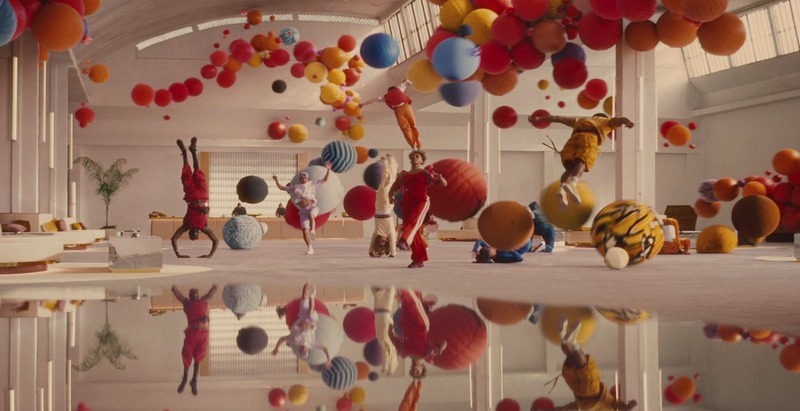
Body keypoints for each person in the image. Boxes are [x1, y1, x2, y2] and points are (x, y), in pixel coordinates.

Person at [529, 113, 634, 210]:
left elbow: (559, 118)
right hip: (589, 138)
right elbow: (621, 120)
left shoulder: (579, 120)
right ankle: (572, 185)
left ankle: (562, 189)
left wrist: (539, 118)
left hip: (573, 139)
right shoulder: (606, 121)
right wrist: (628, 122)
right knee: (582, 162)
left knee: (570, 169)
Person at [539, 317, 638, 411]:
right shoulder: (584, 406)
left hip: (591, 390)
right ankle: (562, 337)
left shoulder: (610, 405)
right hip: (577, 391)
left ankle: (573, 342)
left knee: (584, 364)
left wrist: (628, 406)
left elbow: (619, 407)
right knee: (570, 359)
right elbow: (567, 408)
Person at [388, 151, 447, 268]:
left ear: (422, 160)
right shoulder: (404, 175)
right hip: (407, 204)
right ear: (410, 160)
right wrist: (390, 197)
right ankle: (418, 259)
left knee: (414, 223)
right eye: (412, 156)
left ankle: (404, 240)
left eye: (417, 156)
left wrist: (441, 178)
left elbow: (444, 184)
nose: (414, 158)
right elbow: (393, 188)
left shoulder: (426, 173)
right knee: (413, 232)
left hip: (421, 201)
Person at [171, 137, 219, 258]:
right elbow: (216, 240)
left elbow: (174, 238)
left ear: (189, 234)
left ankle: (184, 153)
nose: (194, 237)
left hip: (191, 195)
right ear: (199, 234)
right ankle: (193, 151)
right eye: (196, 238)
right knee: (198, 172)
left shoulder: (186, 226)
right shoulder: (204, 228)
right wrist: (210, 255)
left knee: (186, 173)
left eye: (192, 238)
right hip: (203, 196)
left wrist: (178, 254)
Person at [272, 162, 332, 255]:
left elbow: (325, 179)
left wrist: (328, 169)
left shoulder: (312, 184)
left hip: (313, 207)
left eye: (305, 177)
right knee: (304, 231)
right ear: (300, 179)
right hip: (303, 211)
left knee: (311, 215)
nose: (303, 179)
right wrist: (276, 180)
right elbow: (282, 188)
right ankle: (310, 248)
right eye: (302, 178)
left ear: (307, 178)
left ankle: (313, 230)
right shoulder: (296, 187)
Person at [390, 288, 447, 381]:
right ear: (422, 368)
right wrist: (440, 348)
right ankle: (405, 288)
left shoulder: (403, 353)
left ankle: (408, 288)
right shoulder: (427, 354)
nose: (414, 370)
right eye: (417, 372)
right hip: (420, 325)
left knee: (408, 302)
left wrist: (389, 326)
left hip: (406, 323)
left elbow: (391, 338)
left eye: (412, 371)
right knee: (413, 302)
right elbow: (444, 342)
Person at [171, 283, 218, 396]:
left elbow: (211, 294)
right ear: (190, 296)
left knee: (198, 357)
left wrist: (214, 287)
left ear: (198, 295)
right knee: (187, 355)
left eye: (196, 292)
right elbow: (180, 296)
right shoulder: (187, 303)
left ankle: (194, 381)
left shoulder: (204, 301)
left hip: (202, 333)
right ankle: (185, 379)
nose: (194, 292)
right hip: (192, 332)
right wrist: (174, 289)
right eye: (192, 292)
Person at [271, 282, 332, 368]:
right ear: (307, 350)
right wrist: (328, 359)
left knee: (304, 295)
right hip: (312, 320)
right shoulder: (312, 344)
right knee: (310, 311)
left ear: (299, 349)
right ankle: (312, 297)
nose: (302, 349)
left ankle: (308, 280)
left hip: (302, 316)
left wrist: (276, 348)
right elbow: (325, 349)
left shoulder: (294, 340)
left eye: (301, 351)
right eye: (304, 351)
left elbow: (282, 339)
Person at [360, 80, 421, 149]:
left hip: (398, 110)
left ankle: (413, 145)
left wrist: (363, 104)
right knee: (413, 125)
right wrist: (410, 82)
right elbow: (405, 80)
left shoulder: (384, 97)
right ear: (393, 88)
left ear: (389, 91)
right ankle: (418, 144)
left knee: (404, 128)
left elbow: (374, 100)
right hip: (406, 106)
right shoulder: (399, 88)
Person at [369, 154, 399, 258]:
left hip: (379, 207)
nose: (383, 239)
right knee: (388, 183)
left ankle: (391, 164)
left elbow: (372, 241)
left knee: (385, 184)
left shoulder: (377, 232)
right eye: (384, 241)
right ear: (387, 241)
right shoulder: (390, 232)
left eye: (380, 241)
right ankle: (388, 164)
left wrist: (371, 251)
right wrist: (393, 253)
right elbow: (393, 240)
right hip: (386, 207)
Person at [372, 285, 399, 375]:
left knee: (385, 339)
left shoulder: (390, 288)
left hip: (385, 315)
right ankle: (387, 362)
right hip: (378, 315)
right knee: (381, 339)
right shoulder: (375, 288)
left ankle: (391, 363)